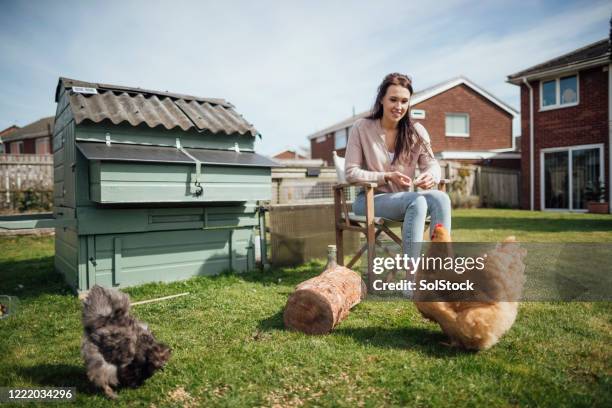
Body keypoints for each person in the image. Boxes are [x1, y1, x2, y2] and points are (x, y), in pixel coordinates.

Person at [344, 72, 452, 280]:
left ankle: (440, 273)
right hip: (367, 200)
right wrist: (387, 176)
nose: (398, 106)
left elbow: (432, 164)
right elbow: (351, 173)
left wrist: (431, 176)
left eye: (404, 101)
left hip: (406, 200)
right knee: (418, 201)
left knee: (441, 198)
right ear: (382, 99)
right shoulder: (362, 128)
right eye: (393, 99)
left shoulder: (417, 131)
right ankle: (411, 280)